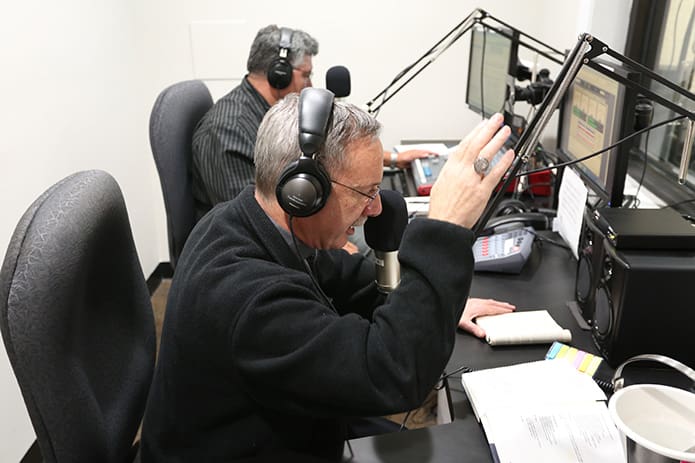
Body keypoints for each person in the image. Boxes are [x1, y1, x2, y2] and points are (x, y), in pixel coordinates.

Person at [142, 90, 515, 462]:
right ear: (304, 192)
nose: (376, 208)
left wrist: (431, 302)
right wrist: (445, 227)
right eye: (365, 192)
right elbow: (394, 375)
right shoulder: (252, 300)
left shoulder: (249, 221)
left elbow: (350, 276)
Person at [191, 24, 435, 219]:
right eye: (305, 75)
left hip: (301, 222)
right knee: (383, 234)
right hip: (269, 246)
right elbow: (249, 218)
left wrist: (392, 158)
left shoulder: (275, 113)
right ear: (279, 74)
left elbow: (323, 151)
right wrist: (333, 244)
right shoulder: (226, 131)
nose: (310, 85)